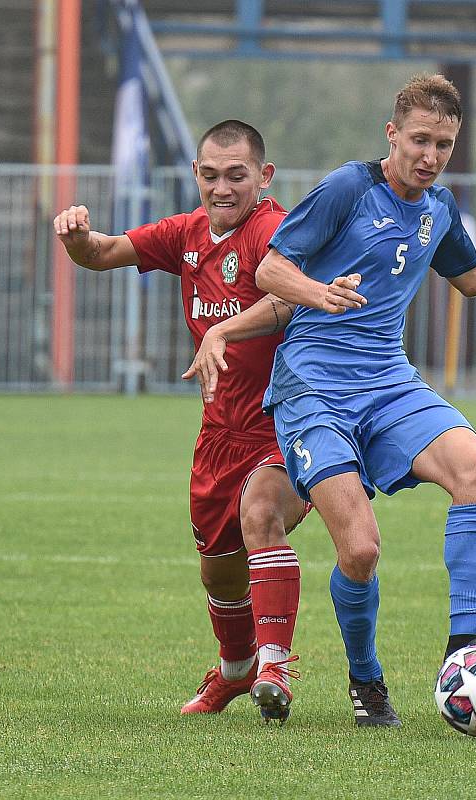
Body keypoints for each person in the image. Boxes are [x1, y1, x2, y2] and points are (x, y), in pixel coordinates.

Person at [199, 74, 476, 728]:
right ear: (392, 134)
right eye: (421, 140)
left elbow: (475, 276)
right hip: (314, 387)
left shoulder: (439, 207)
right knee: (361, 551)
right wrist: (321, 294)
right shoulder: (349, 187)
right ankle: (366, 680)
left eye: (445, 145)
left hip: (389, 383)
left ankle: (469, 642)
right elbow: (271, 269)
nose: (430, 156)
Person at [53, 120, 309, 723]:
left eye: (237, 176)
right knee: (218, 569)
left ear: (263, 178)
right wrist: (75, 237)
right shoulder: (185, 234)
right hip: (218, 435)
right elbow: (102, 254)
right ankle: (237, 669)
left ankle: (275, 667)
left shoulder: (276, 231)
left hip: (285, 423)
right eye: (211, 175)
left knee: (262, 516)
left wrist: (227, 329)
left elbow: (293, 295)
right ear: (197, 175)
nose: (222, 188)